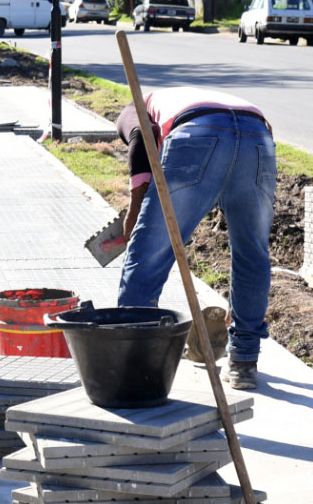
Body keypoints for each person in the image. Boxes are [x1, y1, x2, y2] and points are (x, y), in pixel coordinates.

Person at [115, 87, 276, 390]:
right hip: (258, 136)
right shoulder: (189, 96)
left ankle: (134, 361)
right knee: (251, 254)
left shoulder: (136, 106)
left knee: (148, 255)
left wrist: (135, 212)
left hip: (199, 132)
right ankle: (243, 362)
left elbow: (140, 141)